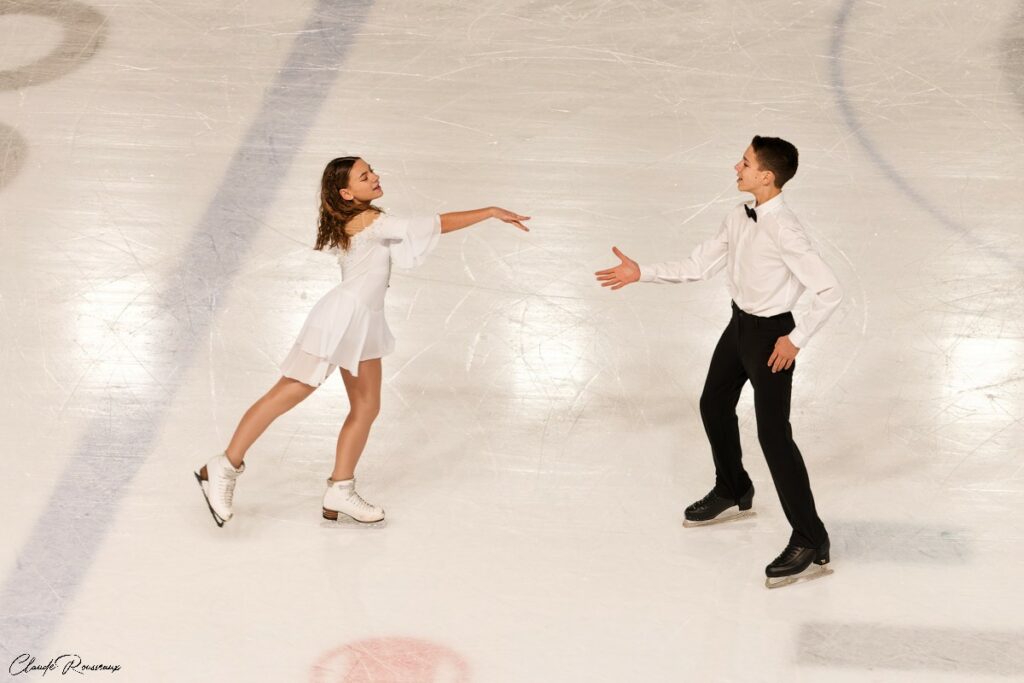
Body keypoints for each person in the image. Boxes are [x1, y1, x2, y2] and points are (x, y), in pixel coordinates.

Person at [195, 156, 530, 527]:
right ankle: (224, 465)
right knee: (287, 393)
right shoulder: (369, 222)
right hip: (340, 320)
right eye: (364, 176)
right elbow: (431, 225)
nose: (375, 177)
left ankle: (340, 488)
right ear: (346, 193)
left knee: (367, 407)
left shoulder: (365, 219)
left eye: (372, 172)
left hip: (365, 323)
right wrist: (489, 212)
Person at [595, 136, 842, 587]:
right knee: (713, 404)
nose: (736, 167)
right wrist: (641, 272)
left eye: (745, 163)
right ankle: (733, 487)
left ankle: (811, 538)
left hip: (771, 339)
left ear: (766, 176)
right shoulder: (737, 215)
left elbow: (829, 290)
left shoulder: (786, 229)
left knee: (774, 437)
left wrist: (795, 339)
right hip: (739, 328)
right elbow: (698, 265)